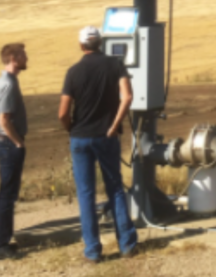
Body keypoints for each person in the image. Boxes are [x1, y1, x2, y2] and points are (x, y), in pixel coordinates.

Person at [59, 26, 138, 262]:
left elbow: (62, 112)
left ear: (81, 45)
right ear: (100, 43)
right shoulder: (115, 65)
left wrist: (71, 129)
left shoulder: (73, 72)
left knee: (86, 194)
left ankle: (92, 251)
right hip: (107, 136)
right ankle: (127, 245)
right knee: (114, 188)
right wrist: (114, 126)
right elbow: (128, 96)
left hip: (80, 137)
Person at [0, 43, 29, 260]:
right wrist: (18, 143)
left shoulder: (8, 81)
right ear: (13, 58)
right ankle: (0, 245)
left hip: (4, 142)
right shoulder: (7, 84)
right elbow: (4, 119)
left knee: (6, 193)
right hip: (8, 144)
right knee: (7, 195)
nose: (27, 57)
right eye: (23, 54)